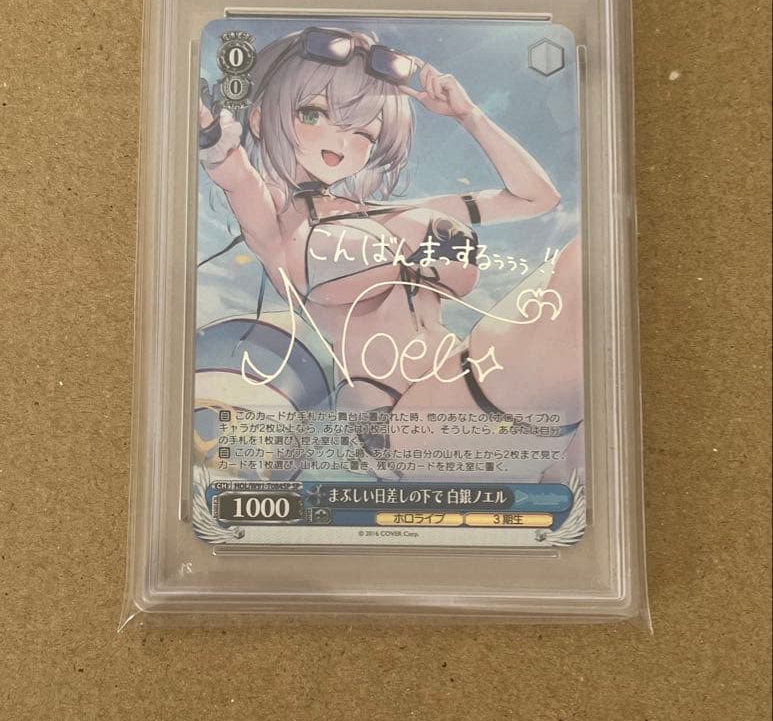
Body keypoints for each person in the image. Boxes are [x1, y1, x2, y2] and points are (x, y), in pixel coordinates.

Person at [198, 27, 583, 480]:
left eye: (364, 131)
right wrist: (210, 134)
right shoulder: (280, 230)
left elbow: (536, 197)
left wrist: (467, 115)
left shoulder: (393, 213)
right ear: (261, 120)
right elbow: (236, 175)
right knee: (583, 274)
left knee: (590, 268)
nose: (342, 140)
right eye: (313, 113)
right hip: (399, 424)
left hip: (465, 384)